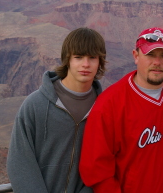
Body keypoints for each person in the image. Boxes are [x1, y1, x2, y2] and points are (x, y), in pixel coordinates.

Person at [79, 27, 163, 193]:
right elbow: (95, 169)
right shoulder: (109, 104)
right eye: (150, 55)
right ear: (136, 56)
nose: (157, 62)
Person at [7, 27, 107, 193]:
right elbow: (19, 161)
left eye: (92, 58)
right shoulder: (35, 105)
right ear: (67, 59)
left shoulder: (105, 110)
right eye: (78, 57)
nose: (86, 64)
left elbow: (105, 165)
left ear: (100, 62)